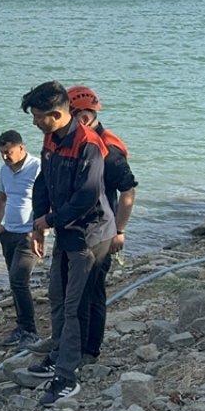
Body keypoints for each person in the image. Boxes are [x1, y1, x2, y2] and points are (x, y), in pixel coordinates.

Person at [20, 82, 115, 407]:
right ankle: (58, 354)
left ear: (57, 114)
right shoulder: (51, 138)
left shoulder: (89, 144)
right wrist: (38, 223)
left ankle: (67, 377)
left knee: (75, 305)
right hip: (65, 230)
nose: (34, 123)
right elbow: (44, 180)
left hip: (91, 235)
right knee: (57, 298)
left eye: (38, 117)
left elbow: (86, 198)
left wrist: (50, 221)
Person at [67, 86, 138, 366]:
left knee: (92, 292)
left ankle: (89, 350)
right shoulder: (81, 141)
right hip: (81, 229)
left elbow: (128, 192)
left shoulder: (108, 149)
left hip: (102, 230)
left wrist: (120, 231)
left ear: (83, 116)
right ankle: (77, 346)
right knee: (80, 292)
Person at [0, 130, 43, 349]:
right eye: (2, 152)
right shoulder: (5, 170)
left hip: (29, 234)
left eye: (9, 152)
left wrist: (40, 231)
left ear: (21, 147)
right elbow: (2, 197)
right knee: (15, 283)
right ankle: (21, 326)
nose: (5, 156)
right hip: (8, 233)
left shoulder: (37, 167)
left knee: (18, 280)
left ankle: (29, 330)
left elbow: (47, 200)